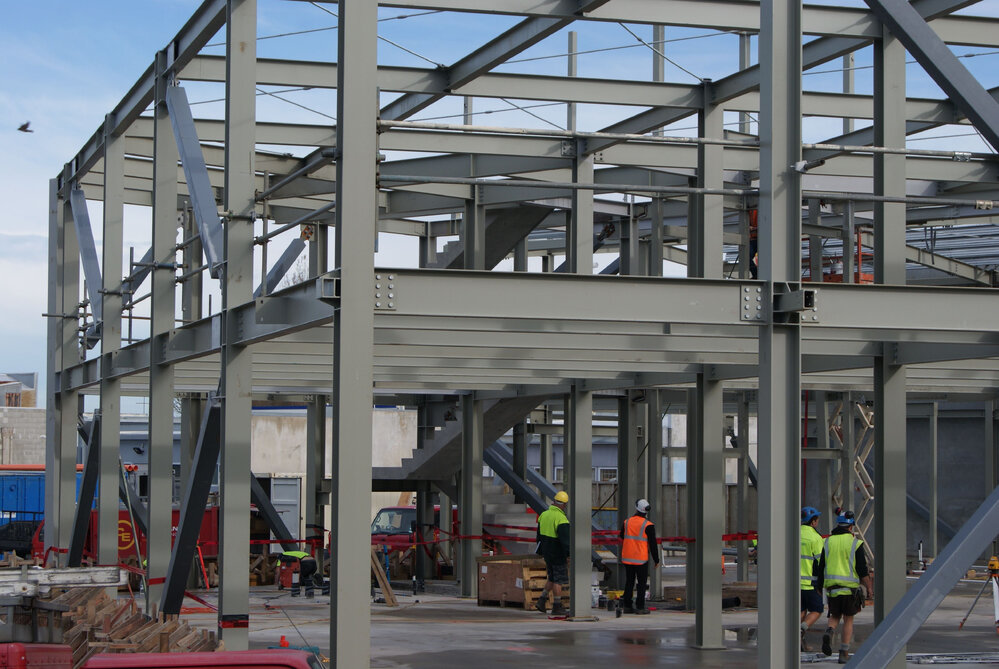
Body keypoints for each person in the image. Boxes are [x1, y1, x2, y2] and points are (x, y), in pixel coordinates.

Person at [819, 510, 873, 663]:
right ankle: (844, 653)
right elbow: (862, 569)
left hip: (832, 589)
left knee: (835, 615)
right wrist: (869, 587)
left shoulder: (828, 542)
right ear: (851, 527)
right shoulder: (855, 543)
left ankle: (829, 632)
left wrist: (819, 586)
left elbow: (822, 566)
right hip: (849, 589)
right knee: (848, 620)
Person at [620, 498, 660, 614]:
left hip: (627, 557)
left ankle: (627, 606)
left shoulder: (627, 522)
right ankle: (640, 607)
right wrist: (656, 560)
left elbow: (622, 535)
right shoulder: (648, 525)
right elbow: (653, 544)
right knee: (641, 583)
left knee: (629, 582)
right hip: (641, 559)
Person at [534, 490, 571, 616]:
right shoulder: (561, 519)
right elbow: (565, 541)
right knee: (558, 580)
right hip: (558, 554)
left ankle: (542, 600)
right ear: (564, 505)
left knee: (552, 577)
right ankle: (556, 605)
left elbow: (538, 536)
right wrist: (568, 555)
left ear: (554, 501)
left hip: (547, 553)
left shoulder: (543, 515)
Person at [799, 506, 825, 651]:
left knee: (801, 610)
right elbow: (821, 563)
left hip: (795, 583)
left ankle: (796, 640)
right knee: (817, 610)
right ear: (813, 521)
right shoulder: (815, 538)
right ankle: (801, 629)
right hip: (810, 583)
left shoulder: (794, 533)